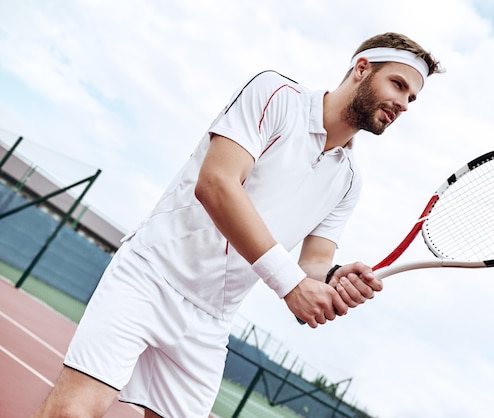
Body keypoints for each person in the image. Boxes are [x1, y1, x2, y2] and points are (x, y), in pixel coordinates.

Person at [32, 32, 442, 418]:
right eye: (398, 84)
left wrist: (333, 279)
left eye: (412, 98)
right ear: (362, 69)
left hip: (211, 320)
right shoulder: (275, 94)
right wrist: (292, 286)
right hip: (151, 273)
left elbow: (313, 264)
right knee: (74, 411)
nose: (404, 102)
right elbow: (216, 184)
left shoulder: (349, 181)